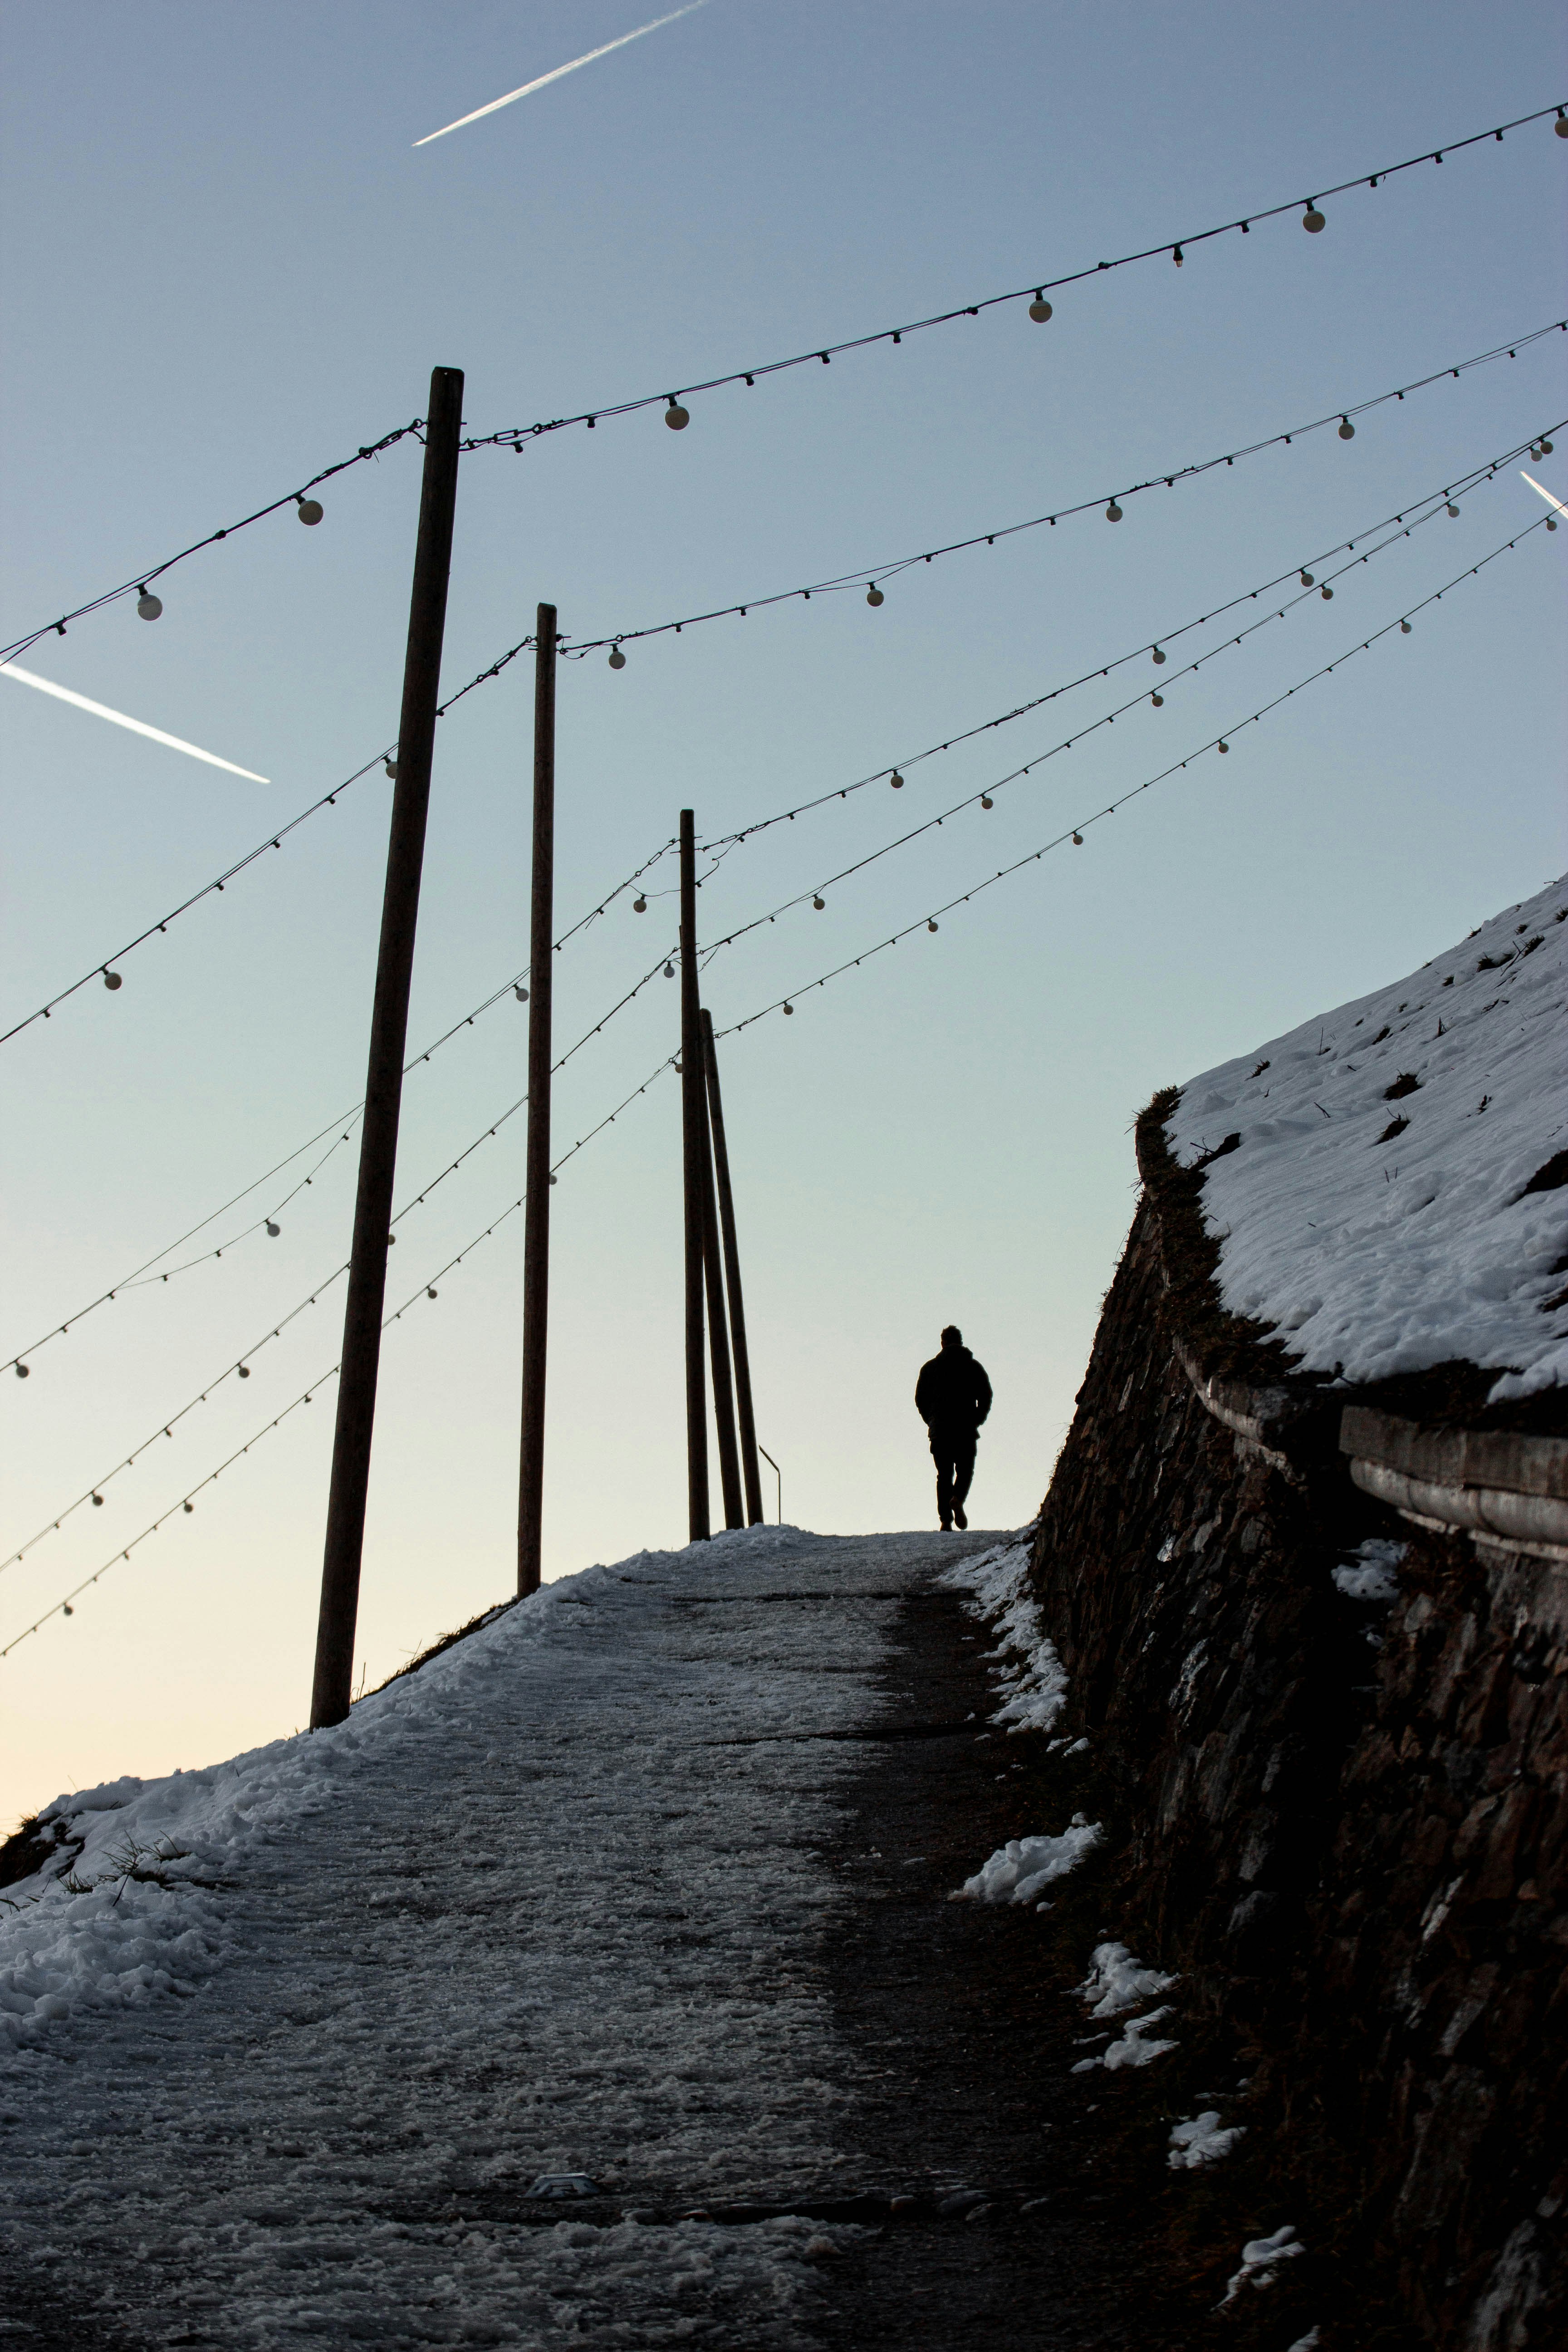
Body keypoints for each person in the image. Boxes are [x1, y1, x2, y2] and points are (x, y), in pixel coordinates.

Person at [915, 1325, 992, 1531]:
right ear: (961, 1341)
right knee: (965, 1470)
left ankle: (946, 1521)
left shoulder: (930, 1368)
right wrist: (978, 1418)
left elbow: (920, 1399)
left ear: (943, 1343)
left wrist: (931, 1420)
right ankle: (957, 1499)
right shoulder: (973, 1366)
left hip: (940, 1431)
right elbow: (986, 1395)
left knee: (944, 1474)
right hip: (965, 1429)